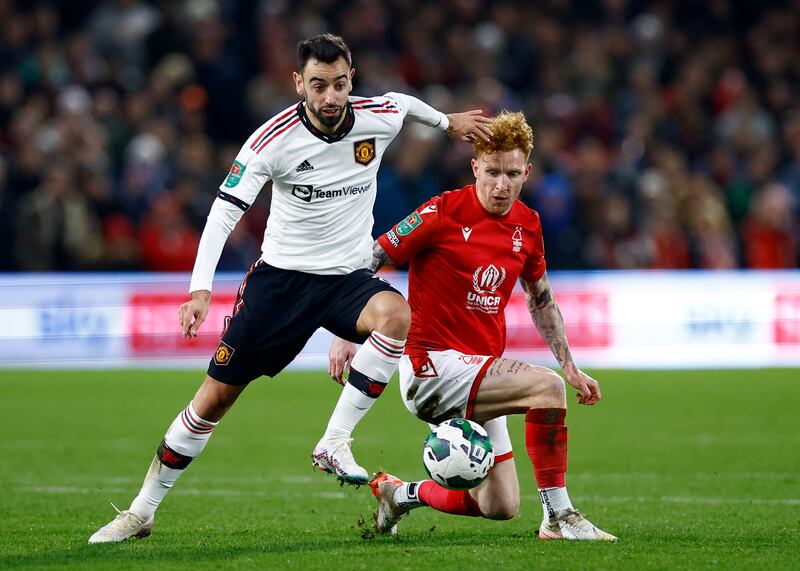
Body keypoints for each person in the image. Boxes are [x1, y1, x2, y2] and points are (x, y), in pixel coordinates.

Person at [89, 33, 491, 543]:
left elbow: (405, 104)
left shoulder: (376, 117)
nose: (329, 98)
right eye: (318, 85)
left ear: (352, 81)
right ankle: (141, 511)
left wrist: (447, 121)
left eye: (339, 85)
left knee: (396, 315)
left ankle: (334, 441)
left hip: (346, 278)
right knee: (213, 400)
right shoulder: (271, 140)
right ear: (298, 83)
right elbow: (223, 213)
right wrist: (200, 289)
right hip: (281, 284)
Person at [329, 111, 617, 541]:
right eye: (494, 172)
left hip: (478, 371)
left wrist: (570, 363)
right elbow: (373, 257)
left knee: (499, 505)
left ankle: (398, 494)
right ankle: (559, 518)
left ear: (528, 173)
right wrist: (343, 330)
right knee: (548, 388)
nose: (502, 184)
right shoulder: (441, 211)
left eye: (513, 174)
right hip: (431, 368)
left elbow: (540, 298)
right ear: (475, 166)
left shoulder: (528, 224)